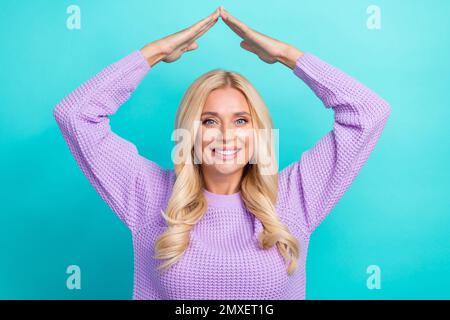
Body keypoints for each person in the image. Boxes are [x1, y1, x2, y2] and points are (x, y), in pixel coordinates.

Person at [53, 6, 391, 299]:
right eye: (209, 121)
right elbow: (75, 114)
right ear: (189, 132)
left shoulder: (294, 196)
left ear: (258, 132)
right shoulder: (149, 193)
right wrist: (154, 53)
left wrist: (287, 56)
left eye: (241, 120)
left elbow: (368, 113)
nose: (227, 135)